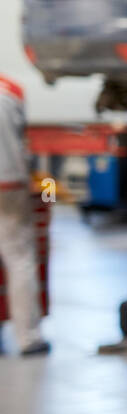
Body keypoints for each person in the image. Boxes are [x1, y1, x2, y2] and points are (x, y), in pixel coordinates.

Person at [0, 73, 49, 357]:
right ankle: (28, 338)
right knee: (19, 260)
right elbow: (21, 140)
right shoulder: (12, 89)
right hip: (10, 185)